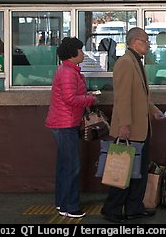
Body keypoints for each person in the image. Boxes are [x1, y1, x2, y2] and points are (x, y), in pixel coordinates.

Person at [101, 27, 166, 223]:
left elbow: (141, 97)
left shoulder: (137, 62)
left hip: (142, 128)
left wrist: (154, 110)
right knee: (123, 171)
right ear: (134, 41)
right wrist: (123, 124)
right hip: (129, 128)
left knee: (138, 171)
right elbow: (122, 98)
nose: (148, 44)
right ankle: (111, 209)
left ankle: (134, 207)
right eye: (145, 41)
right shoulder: (125, 63)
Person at [45, 37, 97, 218]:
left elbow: (71, 95)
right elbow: (70, 99)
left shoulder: (69, 70)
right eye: (81, 50)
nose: (83, 53)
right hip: (65, 123)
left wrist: (86, 95)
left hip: (63, 122)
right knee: (71, 167)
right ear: (73, 53)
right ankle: (70, 206)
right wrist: (90, 99)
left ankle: (62, 203)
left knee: (64, 166)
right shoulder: (68, 72)